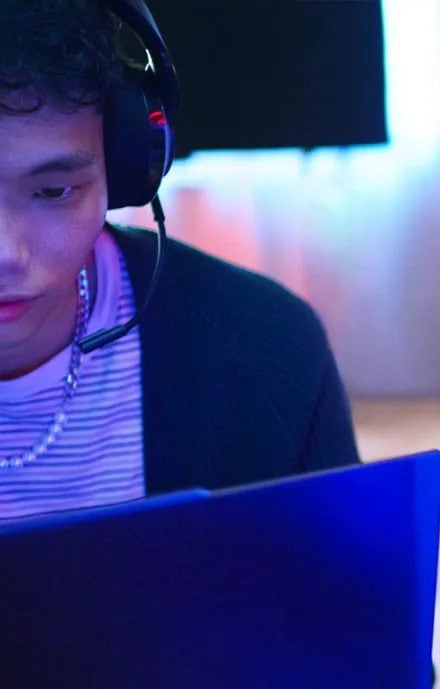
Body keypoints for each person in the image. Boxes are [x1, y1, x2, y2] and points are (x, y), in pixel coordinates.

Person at [0, 0, 358, 525]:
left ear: (126, 169)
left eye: (53, 191)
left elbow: (336, 598)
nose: (7, 255)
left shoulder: (264, 351)